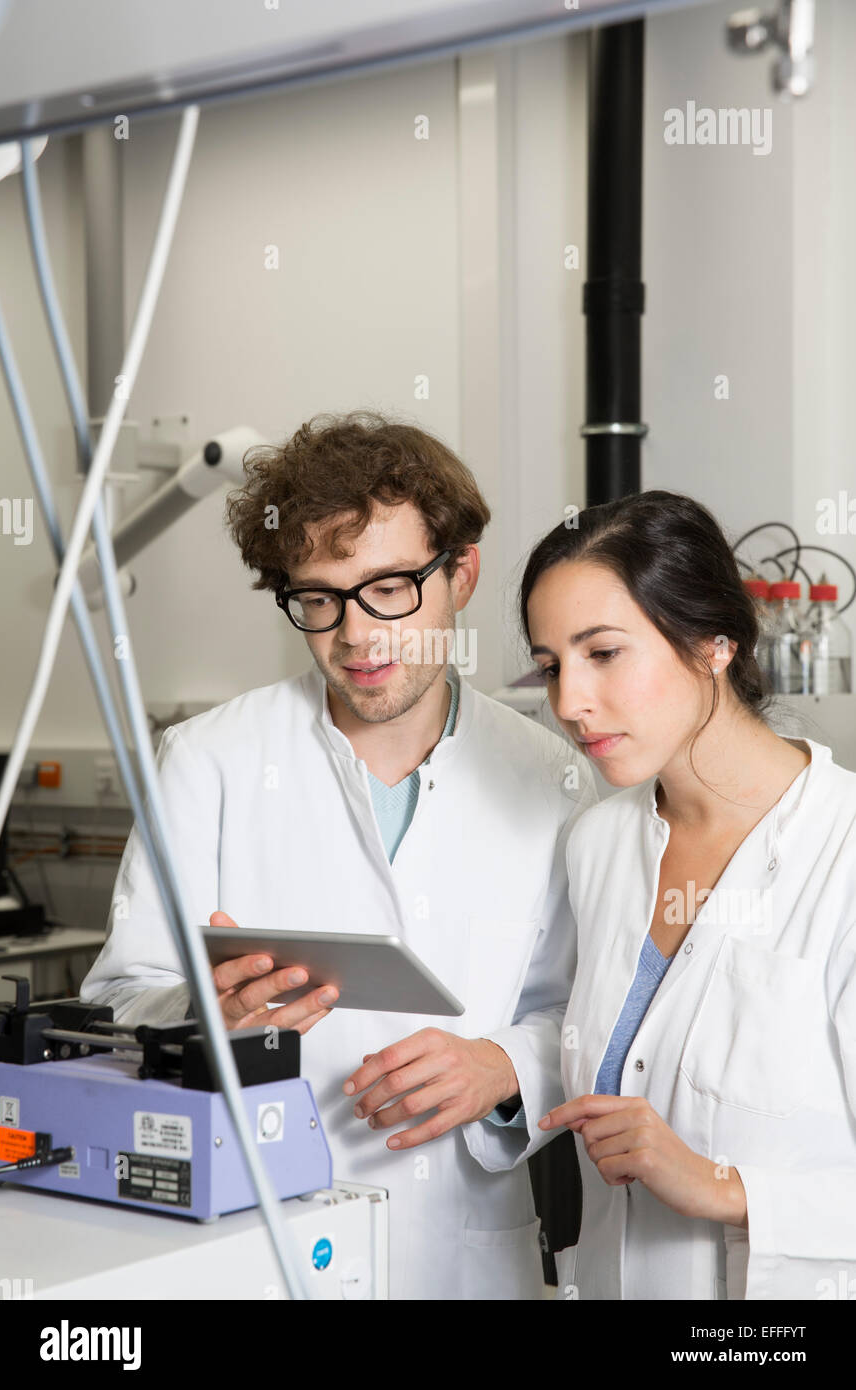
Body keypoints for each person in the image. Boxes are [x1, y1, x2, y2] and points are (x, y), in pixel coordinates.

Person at [80, 409, 597, 1301]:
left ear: (460, 573)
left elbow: (587, 1016)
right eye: (318, 597)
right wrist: (205, 1014)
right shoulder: (208, 760)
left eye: (390, 587)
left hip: (462, 1254)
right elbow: (120, 1001)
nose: (356, 637)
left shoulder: (554, 778)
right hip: (255, 1241)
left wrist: (505, 1065)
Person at [517, 488, 856, 1300]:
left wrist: (720, 1187)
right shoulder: (598, 844)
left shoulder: (842, 853)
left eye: (603, 654)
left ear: (713, 642)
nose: (569, 704)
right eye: (552, 666)